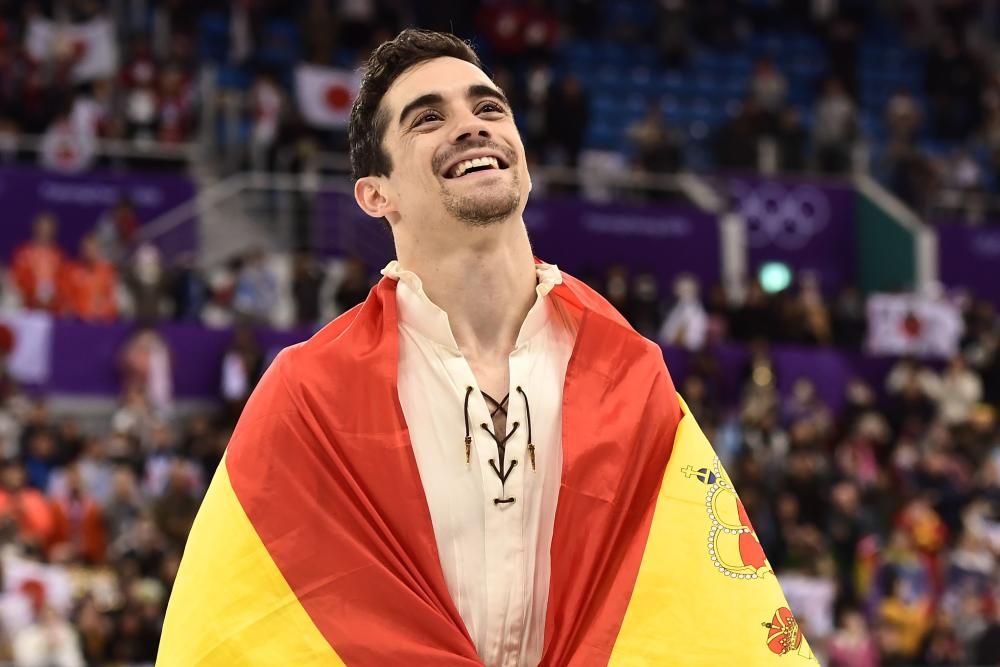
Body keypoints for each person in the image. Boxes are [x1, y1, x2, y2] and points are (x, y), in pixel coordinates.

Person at [160, 30, 808, 666]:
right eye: (427, 119)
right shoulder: (307, 394)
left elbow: (696, 619)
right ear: (374, 193)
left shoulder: (630, 374)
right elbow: (239, 629)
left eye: (489, 107)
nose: (471, 126)